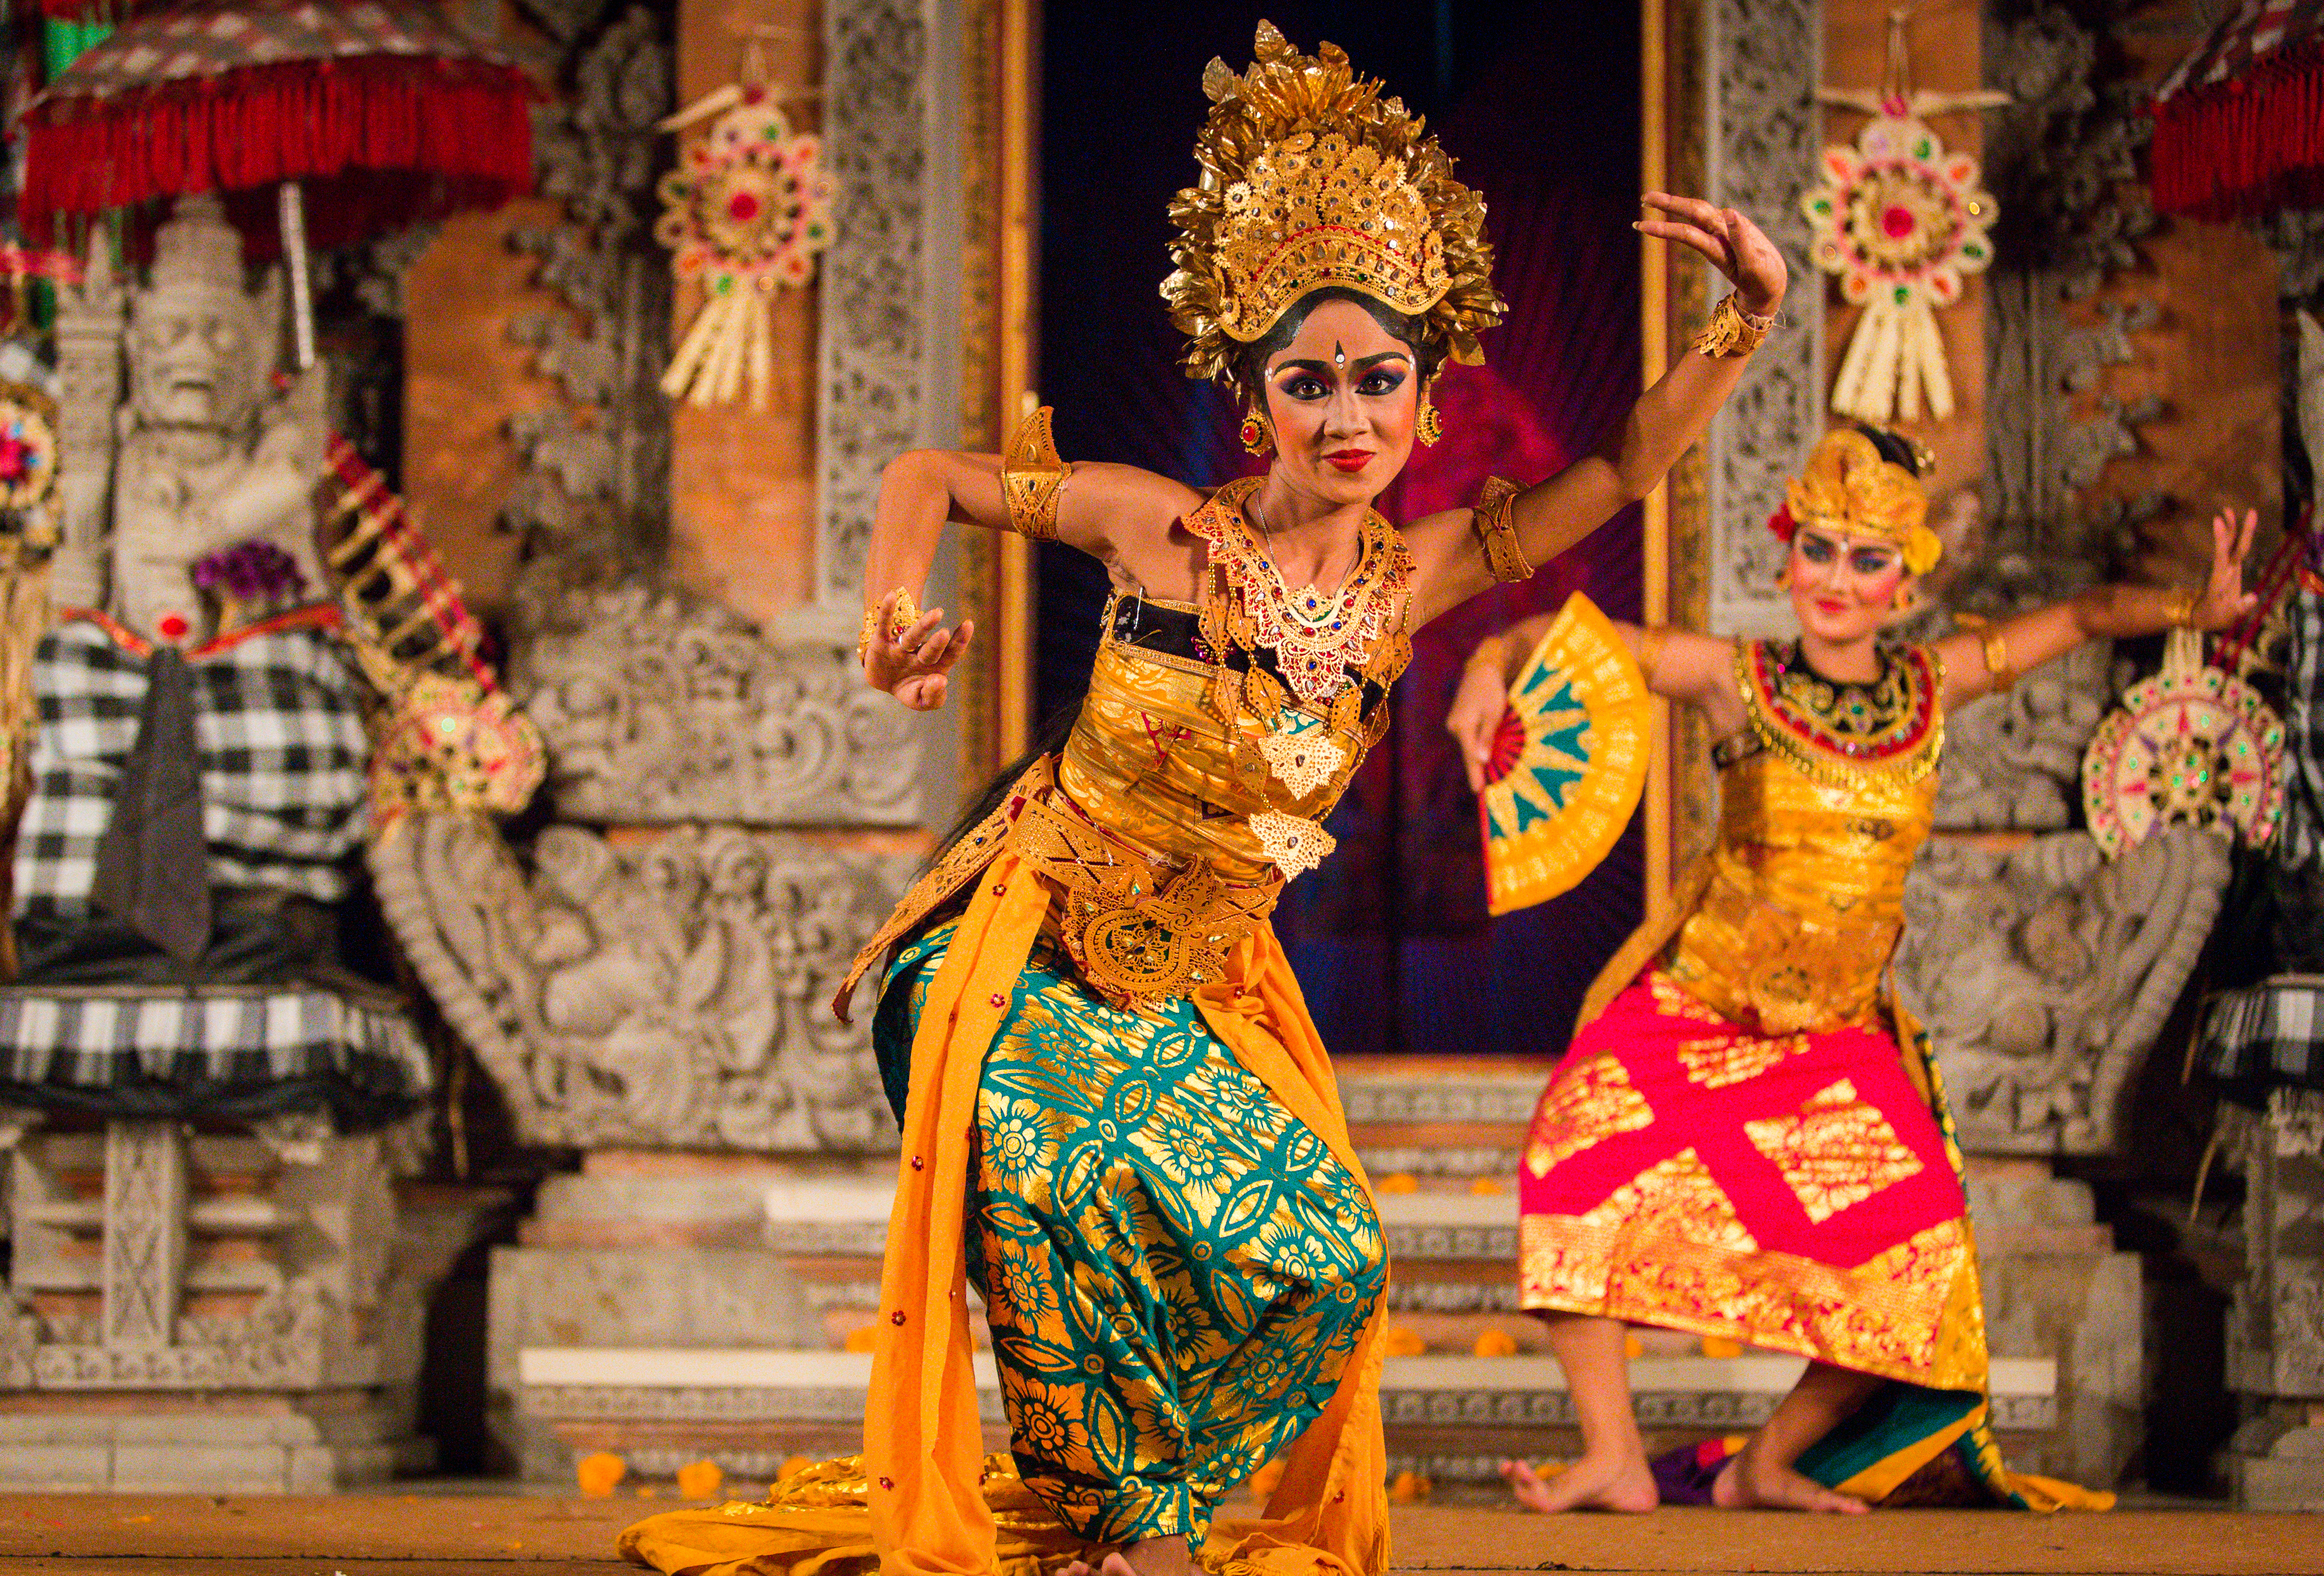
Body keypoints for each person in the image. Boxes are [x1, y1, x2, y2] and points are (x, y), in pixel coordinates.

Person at [623, 22, 1784, 1576]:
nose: (1345, 416)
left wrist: (1741, 324)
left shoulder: (1419, 569)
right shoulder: (1158, 529)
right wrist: (888, 614)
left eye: (1378, 380)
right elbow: (925, 477)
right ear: (1256, 401)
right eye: (1306, 383)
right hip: (1010, 946)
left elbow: (1618, 475)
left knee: (1327, 1264)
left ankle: (1099, 1508)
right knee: (1053, 1185)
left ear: (1424, 395)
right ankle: (1136, 1535)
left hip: (1186, 988)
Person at [1445, 426, 2256, 1516]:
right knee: (1569, 1159)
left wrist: (2187, 613)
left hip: (1837, 1035)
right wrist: (1484, 674)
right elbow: (1564, 629)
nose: (1837, 578)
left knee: (1919, 1263)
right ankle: (1614, 1454)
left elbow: (2082, 616)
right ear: (1787, 557)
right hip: (1699, 1005)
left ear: (1905, 579)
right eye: (1819, 549)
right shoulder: (1736, 679)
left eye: (1867, 558)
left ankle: (1767, 1460)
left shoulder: (1934, 687)